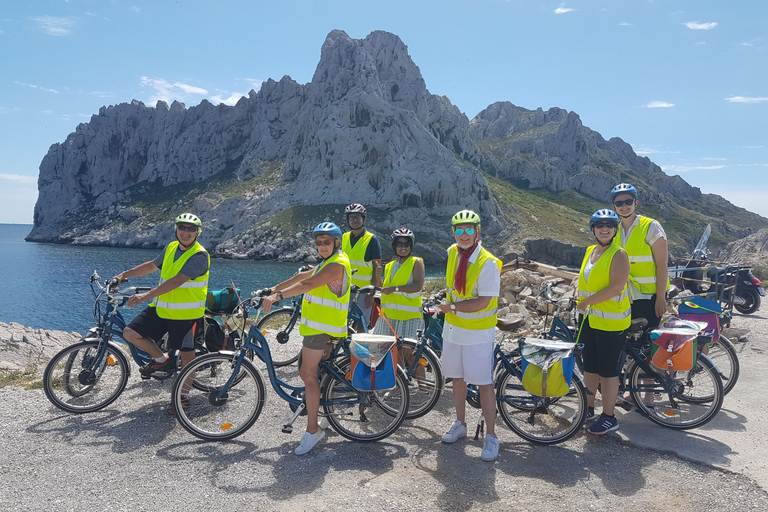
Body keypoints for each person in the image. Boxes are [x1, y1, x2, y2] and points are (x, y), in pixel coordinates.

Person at [261, 222, 351, 455]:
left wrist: (279, 296)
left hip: (323, 329)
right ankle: (325, 418)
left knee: (307, 374)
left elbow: (309, 284)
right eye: (319, 242)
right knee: (319, 375)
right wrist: (272, 289)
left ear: (336, 243)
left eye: (327, 242)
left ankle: (313, 431)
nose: (322, 246)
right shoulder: (327, 262)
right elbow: (303, 275)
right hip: (323, 328)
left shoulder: (338, 264)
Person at [114, 213, 210, 412]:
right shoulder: (171, 247)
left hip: (186, 315)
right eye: (182, 227)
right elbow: (151, 265)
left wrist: (145, 296)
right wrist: (125, 275)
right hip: (162, 309)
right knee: (130, 333)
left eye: (191, 229)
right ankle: (161, 360)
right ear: (176, 229)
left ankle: (182, 397)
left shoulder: (200, 256)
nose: (186, 232)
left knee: (187, 357)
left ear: (197, 233)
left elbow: (177, 281)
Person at [437, 209, 502, 462]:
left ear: (478, 231)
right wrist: (448, 301)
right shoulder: (453, 252)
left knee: (484, 383)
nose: (463, 235)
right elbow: (452, 285)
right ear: (454, 232)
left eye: (468, 230)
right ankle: (460, 423)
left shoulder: (488, 263)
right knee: (458, 378)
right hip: (453, 329)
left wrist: (451, 307)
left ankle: (492, 436)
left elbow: (483, 302)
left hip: (478, 333)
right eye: (459, 230)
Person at [576, 209, 631, 435]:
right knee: (590, 367)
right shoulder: (590, 251)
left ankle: (609, 417)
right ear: (593, 229)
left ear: (615, 229)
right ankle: (588, 410)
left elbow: (616, 287)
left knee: (608, 372)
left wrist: (587, 301)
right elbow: (587, 279)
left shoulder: (619, 254)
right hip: (590, 319)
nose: (605, 228)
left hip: (612, 322)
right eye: (600, 225)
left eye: (609, 224)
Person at [610, 183, 670, 329]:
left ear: (635, 203)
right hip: (625, 297)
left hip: (649, 296)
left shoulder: (650, 226)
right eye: (619, 203)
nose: (624, 206)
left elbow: (662, 264)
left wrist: (661, 298)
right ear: (614, 207)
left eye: (628, 202)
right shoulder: (614, 230)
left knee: (646, 343)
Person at [374, 228, 426, 388]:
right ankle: (401, 384)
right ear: (394, 245)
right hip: (390, 316)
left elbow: (418, 285)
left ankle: (424, 385)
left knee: (410, 353)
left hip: (409, 316)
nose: (403, 247)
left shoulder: (416, 262)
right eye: (399, 244)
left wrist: (395, 288)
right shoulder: (390, 265)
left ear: (411, 246)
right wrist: (377, 274)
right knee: (392, 352)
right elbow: (384, 287)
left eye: (406, 244)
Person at [341, 203, 382, 328]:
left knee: (361, 324)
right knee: (341, 322)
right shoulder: (344, 237)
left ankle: (360, 348)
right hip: (345, 289)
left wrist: (371, 294)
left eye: (357, 217)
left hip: (363, 292)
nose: (354, 220)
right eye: (351, 217)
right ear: (348, 220)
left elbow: (376, 269)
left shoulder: (371, 239)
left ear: (363, 219)